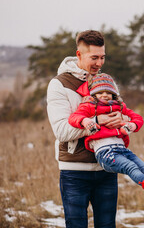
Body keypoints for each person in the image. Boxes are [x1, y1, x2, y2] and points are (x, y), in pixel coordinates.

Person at [68, 73, 144, 207]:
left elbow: (137, 118)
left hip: (122, 149)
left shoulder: (120, 107)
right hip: (105, 153)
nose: (105, 95)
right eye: (100, 92)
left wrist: (131, 124)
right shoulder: (90, 106)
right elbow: (74, 117)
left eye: (108, 92)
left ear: (114, 94)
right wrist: (86, 121)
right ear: (93, 94)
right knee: (131, 167)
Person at [47, 30, 127, 228]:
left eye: (102, 57)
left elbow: (123, 114)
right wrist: (98, 121)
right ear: (79, 54)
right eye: (94, 58)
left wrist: (121, 119)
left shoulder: (107, 82)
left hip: (107, 167)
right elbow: (62, 132)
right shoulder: (59, 84)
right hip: (74, 171)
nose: (99, 63)